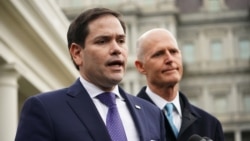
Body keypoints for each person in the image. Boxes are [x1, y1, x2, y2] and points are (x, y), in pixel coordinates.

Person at [15, 8, 166, 141]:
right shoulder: (45, 109)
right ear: (77, 53)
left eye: (121, 40)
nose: (116, 49)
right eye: (102, 41)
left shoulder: (152, 113)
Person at [135, 28, 224, 141]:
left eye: (173, 52)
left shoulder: (210, 124)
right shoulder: (128, 120)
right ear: (141, 66)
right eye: (158, 54)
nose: (170, 59)